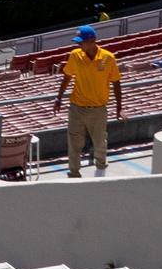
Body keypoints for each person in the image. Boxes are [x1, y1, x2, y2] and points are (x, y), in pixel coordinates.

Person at [53, 26, 123, 178]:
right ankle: (73, 173)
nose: (79, 45)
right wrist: (58, 98)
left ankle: (100, 169)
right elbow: (67, 77)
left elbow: (116, 82)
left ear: (92, 41)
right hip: (76, 108)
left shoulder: (108, 57)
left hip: (98, 109)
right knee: (74, 143)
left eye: (81, 42)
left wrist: (119, 107)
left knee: (99, 142)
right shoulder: (74, 55)